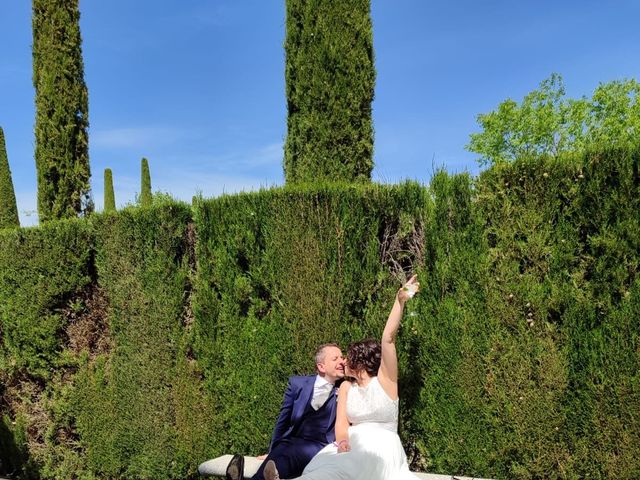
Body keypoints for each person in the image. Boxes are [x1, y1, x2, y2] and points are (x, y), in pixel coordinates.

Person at [263, 275, 420, 480]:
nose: (344, 360)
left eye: (348, 356)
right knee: (327, 468)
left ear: (361, 360)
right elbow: (342, 425)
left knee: (347, 470)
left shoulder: (386, 381)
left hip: (381, 446)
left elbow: (388, 339)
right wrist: (344, 441)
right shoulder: (346, 387)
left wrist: (399, 301)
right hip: (351, 444)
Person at [226, 343, 346, 480]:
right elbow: (282, 421)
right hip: (291, 442)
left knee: (289, 453)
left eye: (342, 357)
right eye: (335, 358)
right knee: (282, 450)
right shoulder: (297, 384)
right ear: (321, 366)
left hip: (320, 445)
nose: (342, 361)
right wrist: (272, 452)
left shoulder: (346, 387)